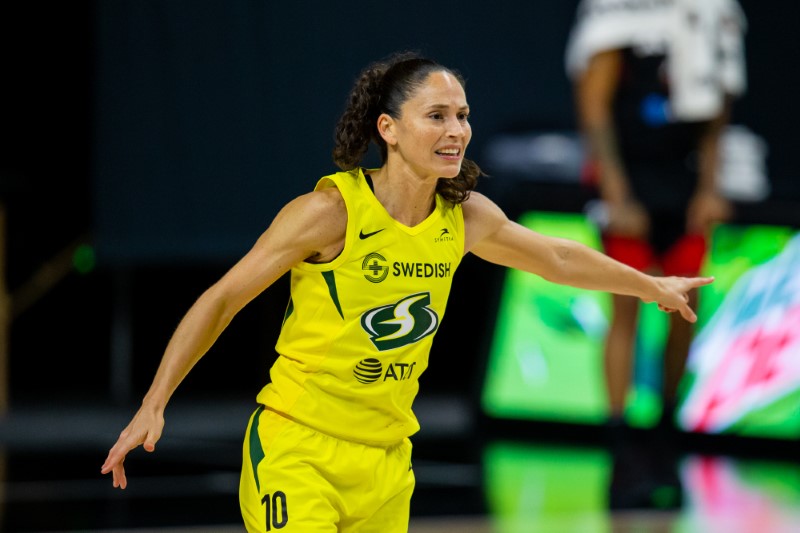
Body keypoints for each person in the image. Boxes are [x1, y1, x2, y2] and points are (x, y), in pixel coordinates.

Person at [101, 51, 712, 532]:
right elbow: (222, 299)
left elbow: (555, 256)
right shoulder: (329, 211)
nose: (457, 130)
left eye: (463, 115)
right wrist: (156, 402)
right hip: (298, 446)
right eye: (437, 116)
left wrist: (647, 284)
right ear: (388, 129)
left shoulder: (464, 216)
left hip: (388, 462)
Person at [565, 0, 747, 509]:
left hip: (684, 186)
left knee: (685, 311)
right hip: (631, 187)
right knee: (624, 309)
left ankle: (667, 434)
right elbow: (595, 107)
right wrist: (617, 194)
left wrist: (711, 187)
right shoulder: (617, 18)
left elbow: (717, 107)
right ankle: (620, 445)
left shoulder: (706, 16)